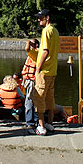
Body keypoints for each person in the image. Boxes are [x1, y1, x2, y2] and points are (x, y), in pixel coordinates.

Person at [31, 8, 59, 136]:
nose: (38, 20)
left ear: (47, 18)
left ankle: (41, 126)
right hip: (52, 70)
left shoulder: (46, 31)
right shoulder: (55, 31)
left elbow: (45, 51)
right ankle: (50, 123)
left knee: (39, 98)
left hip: (44, 70)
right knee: (49, 98)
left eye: (41, 17)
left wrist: (38, 67)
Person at [22, 38, 39, 128]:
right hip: (28, 81)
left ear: (36, 45)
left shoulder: (36, 53)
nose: (29, 44)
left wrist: (28, 43)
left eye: (31, 43)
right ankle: (33, 121)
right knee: (30, 102)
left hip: (32, 81)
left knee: (29, 102)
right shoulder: (32, 54)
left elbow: (27, 49)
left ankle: (30, 123)